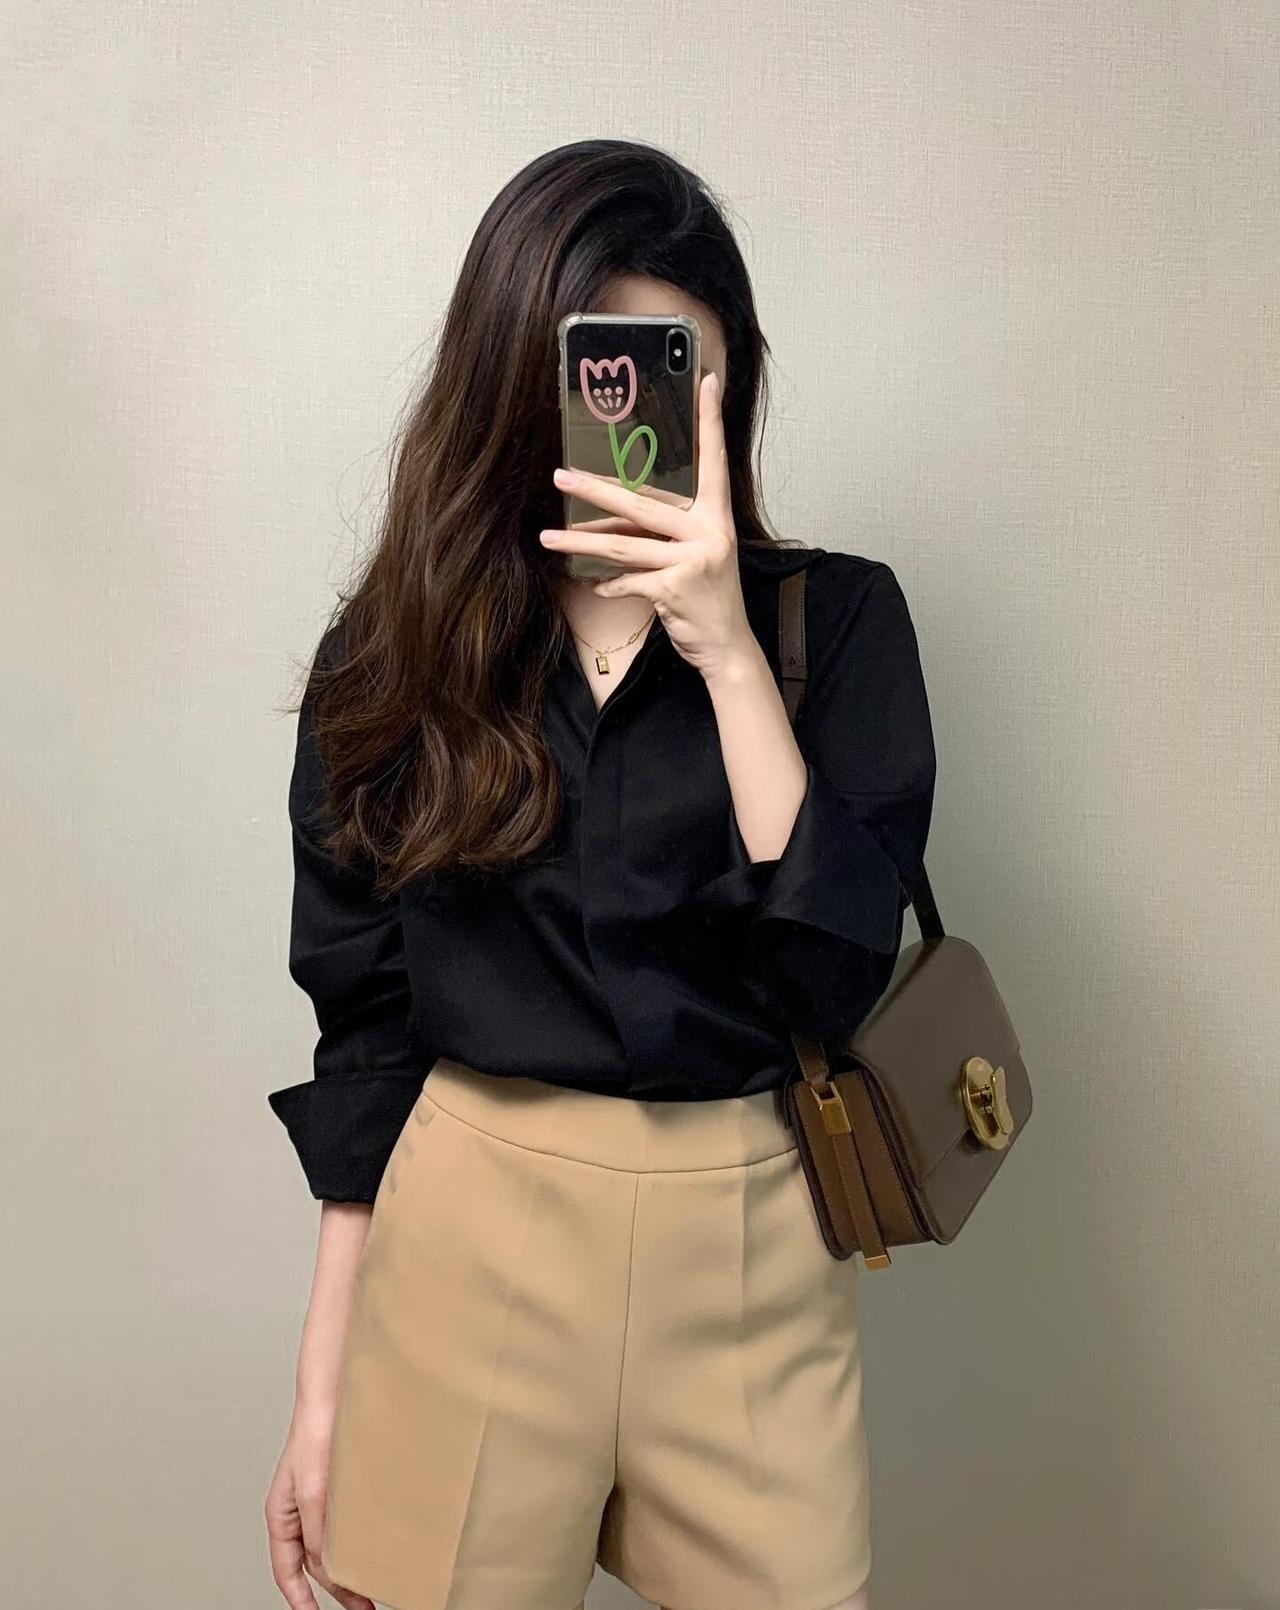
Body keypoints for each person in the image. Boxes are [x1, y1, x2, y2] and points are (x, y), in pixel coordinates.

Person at [263, 137, 935, 1610]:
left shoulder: (835, 626)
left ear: (731, 387)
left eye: (685, 374)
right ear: (520, 382)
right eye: (603, 372)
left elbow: (837, 974)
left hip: (752, 1252)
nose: (640, 416)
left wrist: (727, 649)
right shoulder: (397, 656)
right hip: (468, 1237)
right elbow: (367, 1035)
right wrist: (323, 1393)